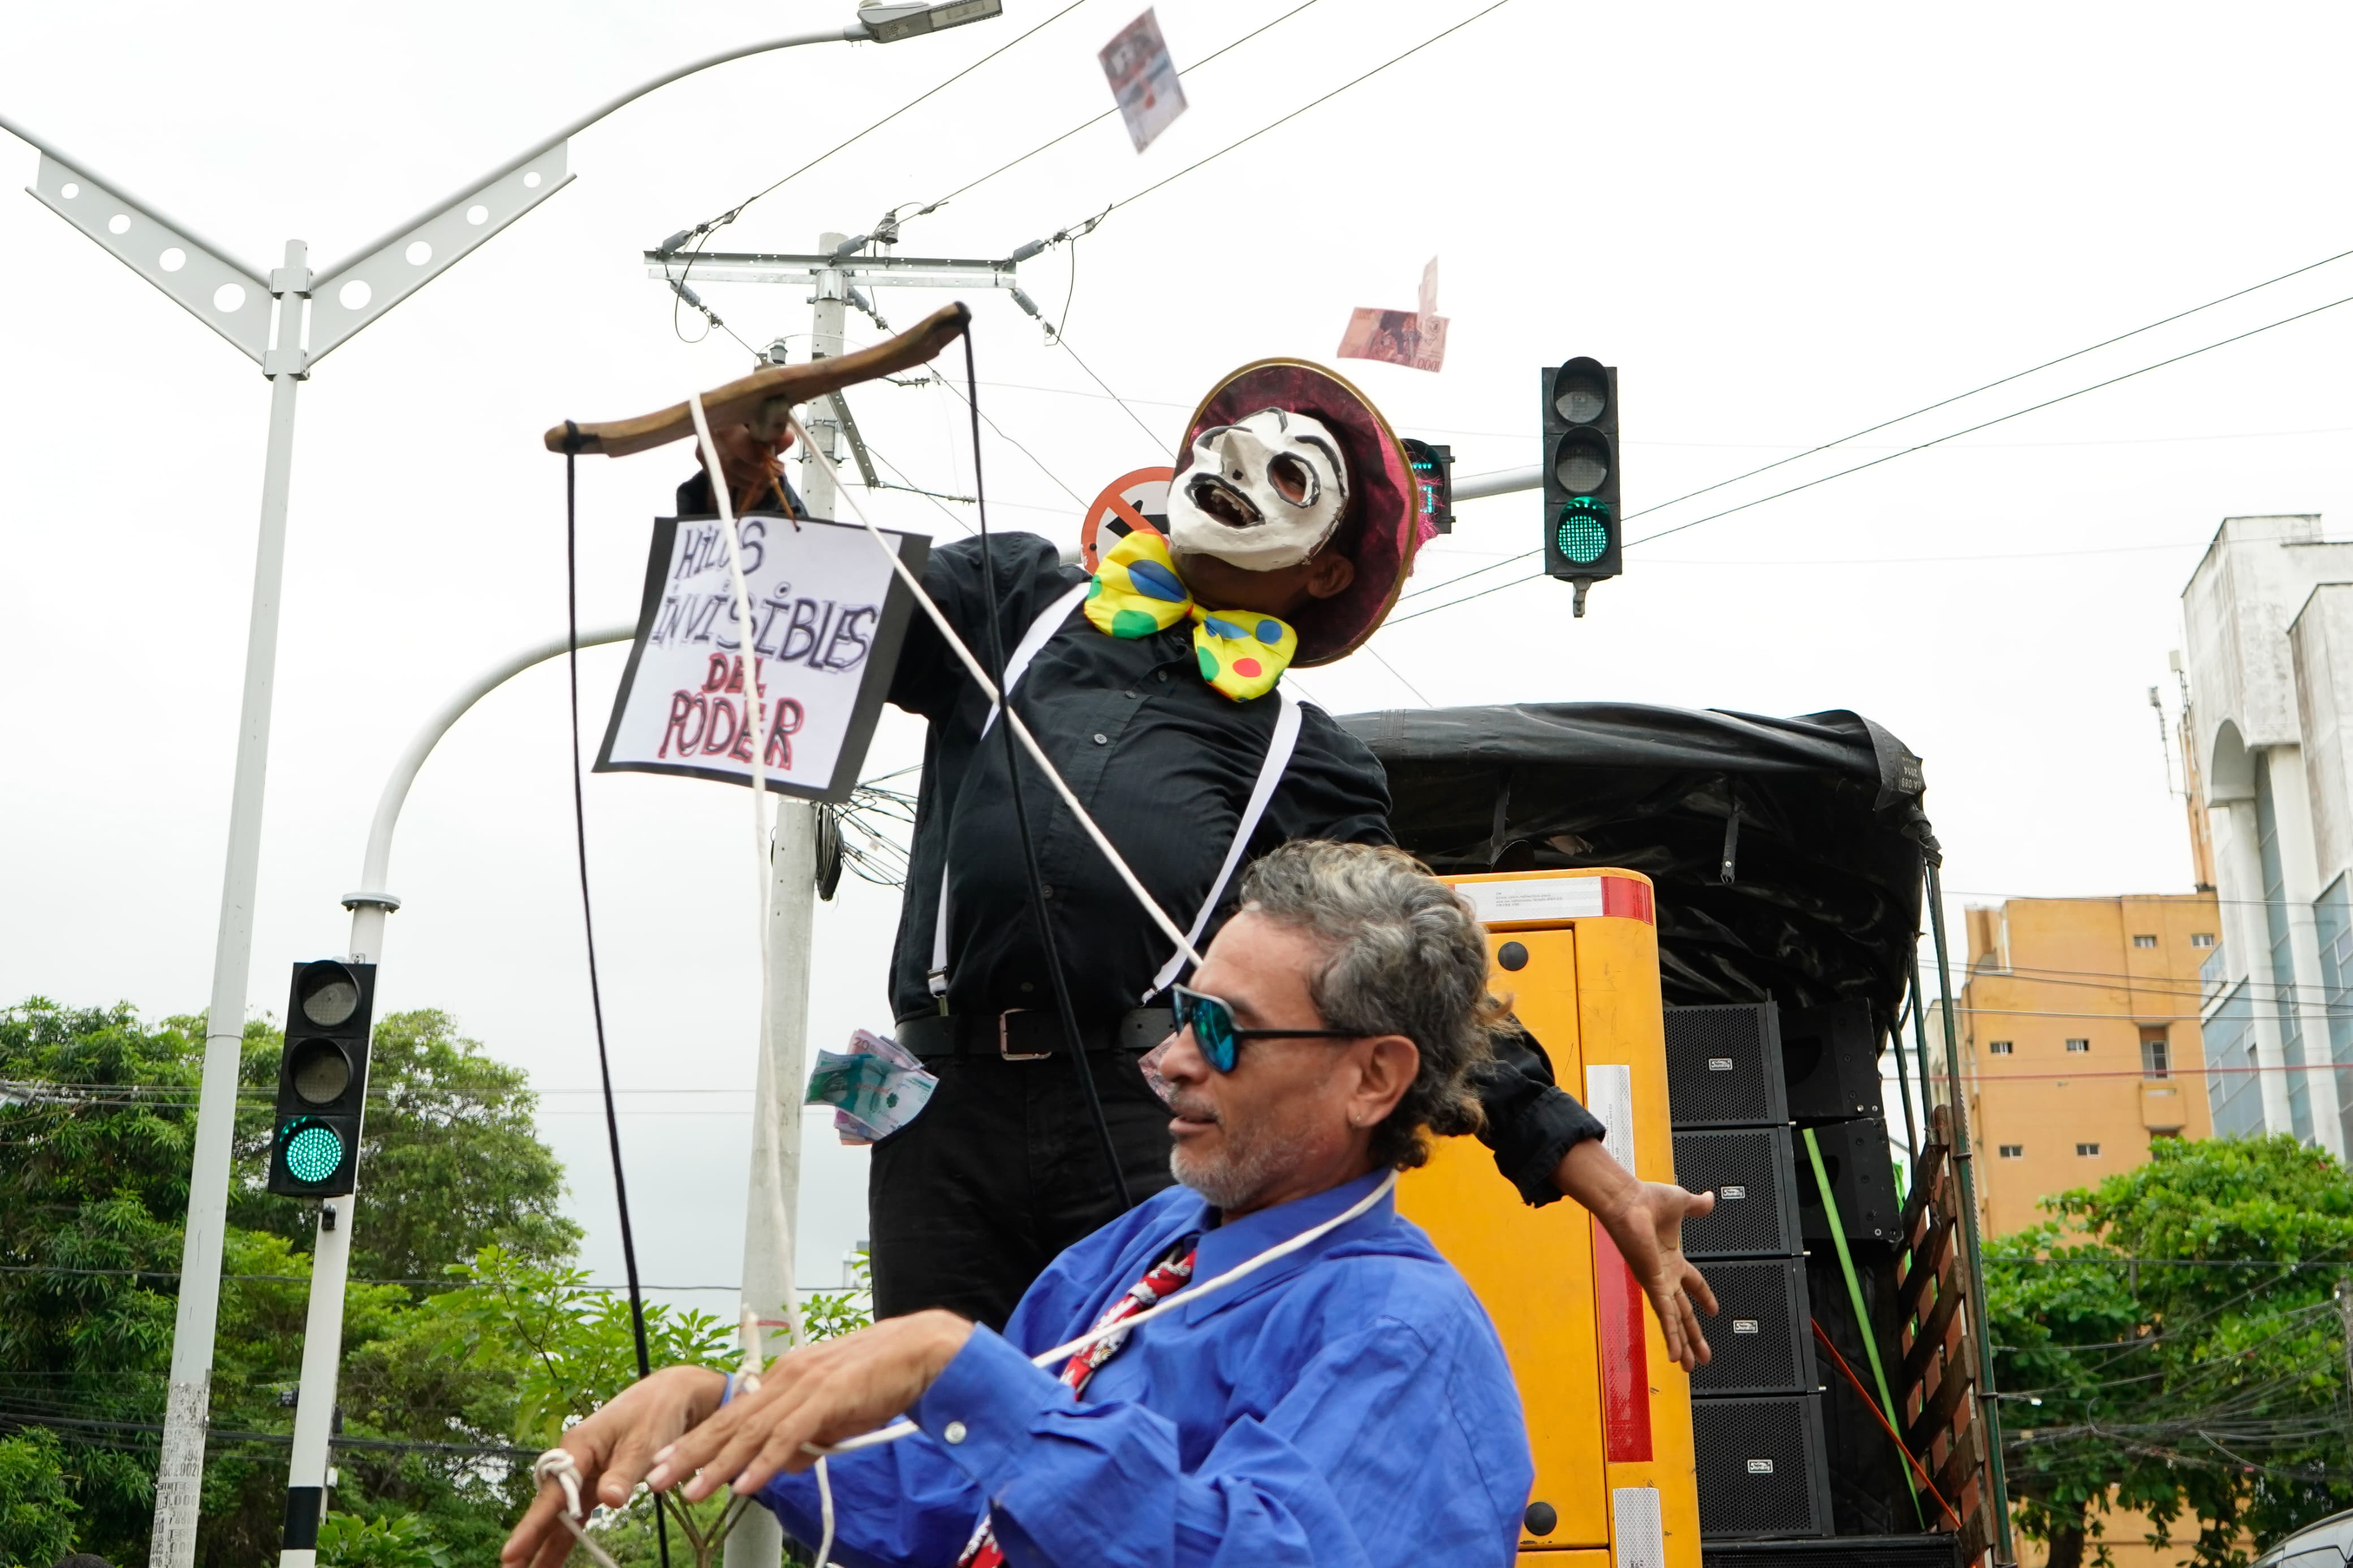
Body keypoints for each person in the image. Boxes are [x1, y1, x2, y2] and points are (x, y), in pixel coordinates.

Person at [688, 357, 1718, 1365]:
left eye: (1292, 474)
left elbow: (1426, 989)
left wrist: (1608, 1184)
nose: (1242, 460)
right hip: (941, 1119)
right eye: (1231, 442)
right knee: (937, 1435)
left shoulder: (1309, 757)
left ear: (1322, 570)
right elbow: (801, 614)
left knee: (1127, 1442)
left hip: (1148, 1124)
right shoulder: (1013, 600)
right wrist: (740, 485)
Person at [503, 841, 1535, 1568]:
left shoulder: (1401, 1333)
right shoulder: (1134, 1254)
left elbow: (1261, 1551)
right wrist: (721, 1410)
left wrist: (968, 1375)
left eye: (1222, 1032)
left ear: (1373, 1077)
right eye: (1180, 1014)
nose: (1167, 1062)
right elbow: (957, 1513)